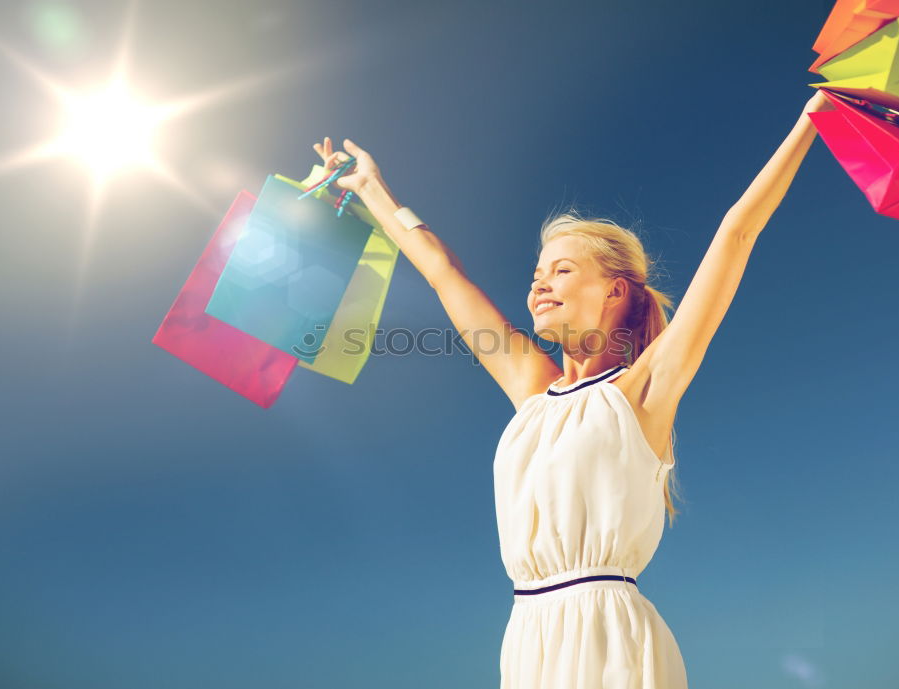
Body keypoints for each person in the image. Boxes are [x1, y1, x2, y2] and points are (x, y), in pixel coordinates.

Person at [312, 88, 834, 689]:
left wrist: (809, 123)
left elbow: (736, 234)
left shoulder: (644, 391)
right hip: (526, 639)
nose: (539, 285)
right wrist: (371, 189)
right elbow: (441, 272)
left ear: (615, 291)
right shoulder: (533, 392)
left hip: (609, 642)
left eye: (562, 270)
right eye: (536, 275)